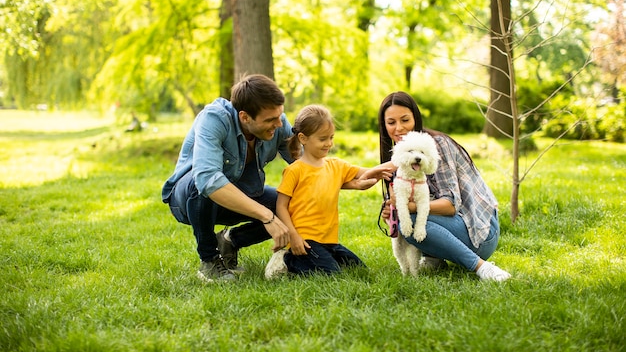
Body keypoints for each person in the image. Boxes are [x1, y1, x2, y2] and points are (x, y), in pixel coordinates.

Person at [161, 74, 295, 283]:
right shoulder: (214, 119)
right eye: (270, 120)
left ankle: (230, 240)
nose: (278, 124)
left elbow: (305, 166)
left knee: (289, 203)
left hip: (240, 195)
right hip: (188, 200)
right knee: (202, 184)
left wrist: (348, 178)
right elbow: (207, 179)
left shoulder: (278, 123)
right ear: (244, 117)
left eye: (280, 116)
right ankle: (210, 261)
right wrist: (267, 216)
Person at [378, 92, 511, 281]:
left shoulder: (436, 146)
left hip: (480, 233)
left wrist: (409, 208)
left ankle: (483, 268)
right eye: (391, 123)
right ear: (384, 126)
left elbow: (450, 206)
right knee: (404, 218)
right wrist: (392, 209)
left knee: (411, 218)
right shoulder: (402, 155)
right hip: (455, 227)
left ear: (416, 118)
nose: (399, 128)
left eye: (405, 120)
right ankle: (434, 259)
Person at [264, 104, 393, 279]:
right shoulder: (295, 170)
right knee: (331, 275)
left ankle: (308, 261)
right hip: (305, 240)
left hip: (329, 241)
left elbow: (366, 172)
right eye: (323, 139)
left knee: (358, 269)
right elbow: (281, 206)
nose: (329, 144)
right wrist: (293, 237)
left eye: (331, 137)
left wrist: (396, 166)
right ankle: (288, 261)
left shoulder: (336, 165)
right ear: (303, 138)